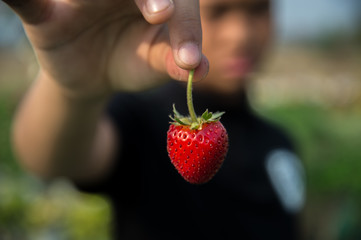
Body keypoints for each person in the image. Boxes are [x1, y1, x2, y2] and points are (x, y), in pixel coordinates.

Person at [5, 0, 306, 239]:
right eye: (218, 12)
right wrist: (74, 91)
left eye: (258, 9)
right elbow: (52, 159)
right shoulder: (143, 117)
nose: (241, 34)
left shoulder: (280, 142)